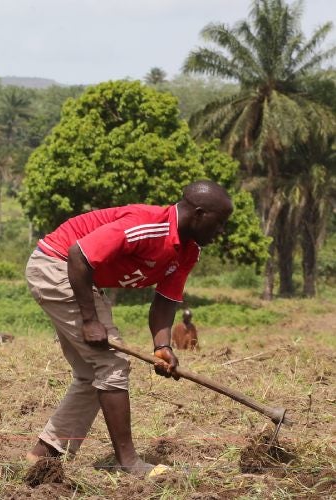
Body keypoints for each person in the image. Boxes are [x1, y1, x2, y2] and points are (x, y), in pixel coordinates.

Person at [24, 180, 233, 477]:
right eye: (220, 223)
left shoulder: (188, 251)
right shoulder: (149, 225)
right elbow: (78, 255)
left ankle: (44, 454)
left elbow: (165, 301)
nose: (222, 231)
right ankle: (129, 462)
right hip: (56, 264)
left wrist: (163, 346)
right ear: (199, 214)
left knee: (91, 372)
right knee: (112, 363)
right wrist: (90, 320)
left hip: (76, 273)